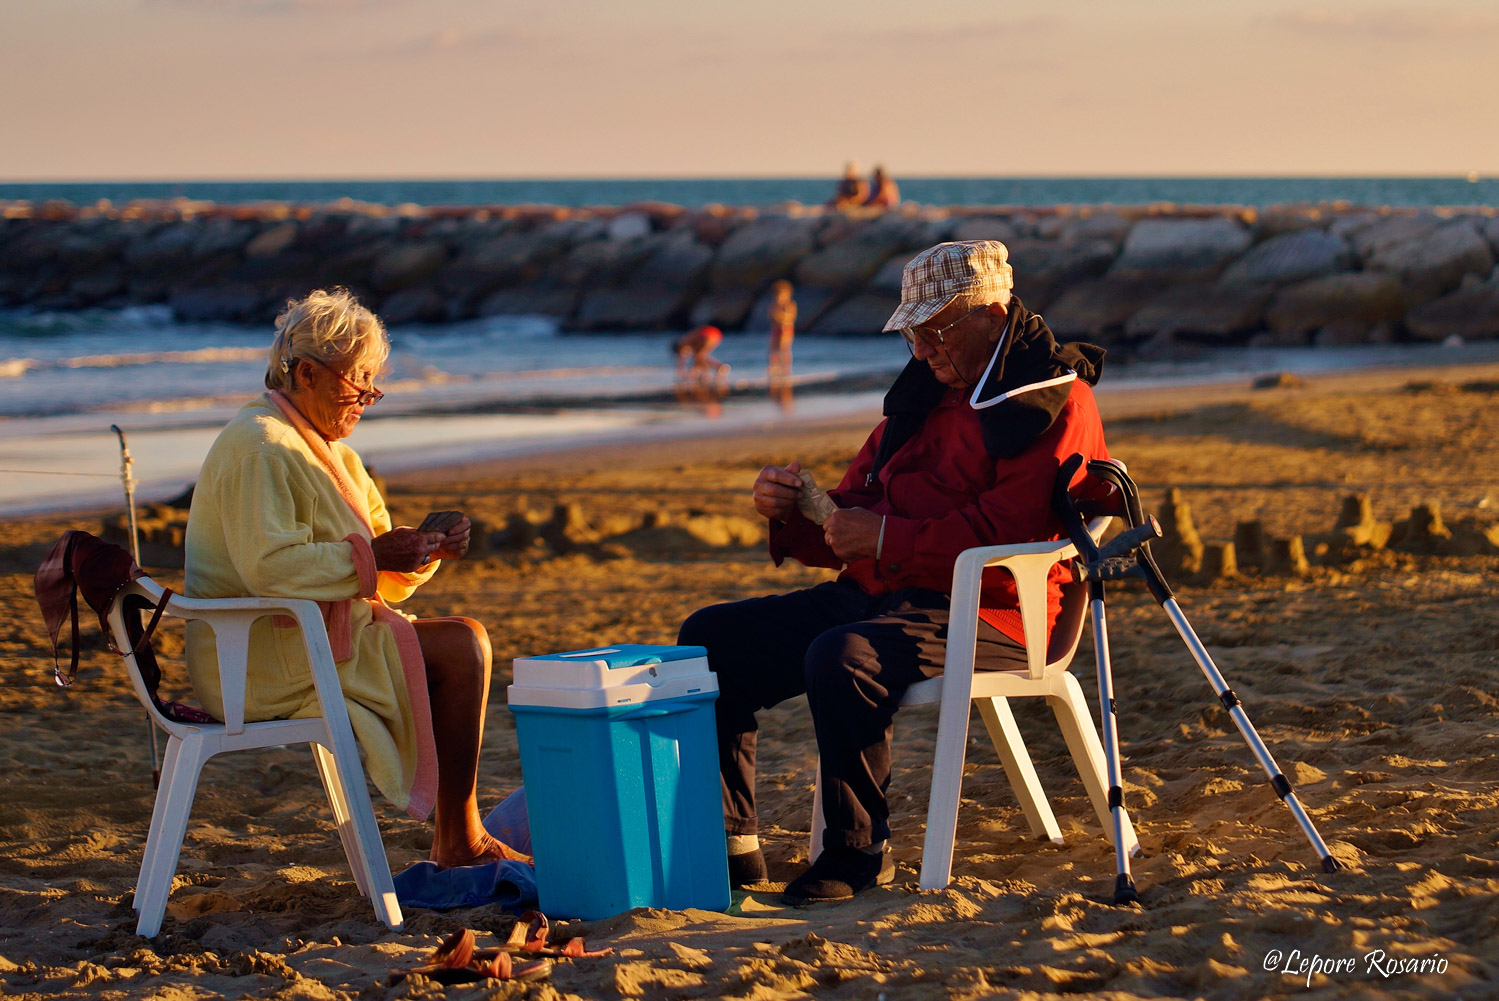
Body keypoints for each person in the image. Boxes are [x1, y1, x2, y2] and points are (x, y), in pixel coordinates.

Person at [677, 241, 1110, 903]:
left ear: (993, 315)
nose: (921, 348)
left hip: (996, 609)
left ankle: (857, 853)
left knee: (842, 655)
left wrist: (883, 536)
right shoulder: (921, 397)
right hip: (883, 591)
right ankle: (734, 848)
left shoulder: (1052, 398)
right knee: (709, 641)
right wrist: (796, 511)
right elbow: (856, 512)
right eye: (910, 332)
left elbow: (1012, 531)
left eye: (935, 329)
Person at [184, 288, 526, 869]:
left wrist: (424, 548)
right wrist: (375, 555)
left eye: (374, 380)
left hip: (315, 641)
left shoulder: (335, 455)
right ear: (309, 373)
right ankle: (459, 835)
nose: (370, 395)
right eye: (359, 379)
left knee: (463, 640)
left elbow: (380, 575)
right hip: (260, 659)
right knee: (463, 644)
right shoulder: (260, 447)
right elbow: (268, 567)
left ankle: (458, 833)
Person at [767, 280, 797, 382]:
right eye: (777, 296)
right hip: (776, 329)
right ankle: (774, 367)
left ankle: (785, 368)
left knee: (784, 349)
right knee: (773, 349)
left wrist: (780, 316)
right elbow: (771, 316)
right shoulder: (774, 305)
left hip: (786, 329)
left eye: (781, 296)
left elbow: (791, 317)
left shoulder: (789, 305)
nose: (779, 298)